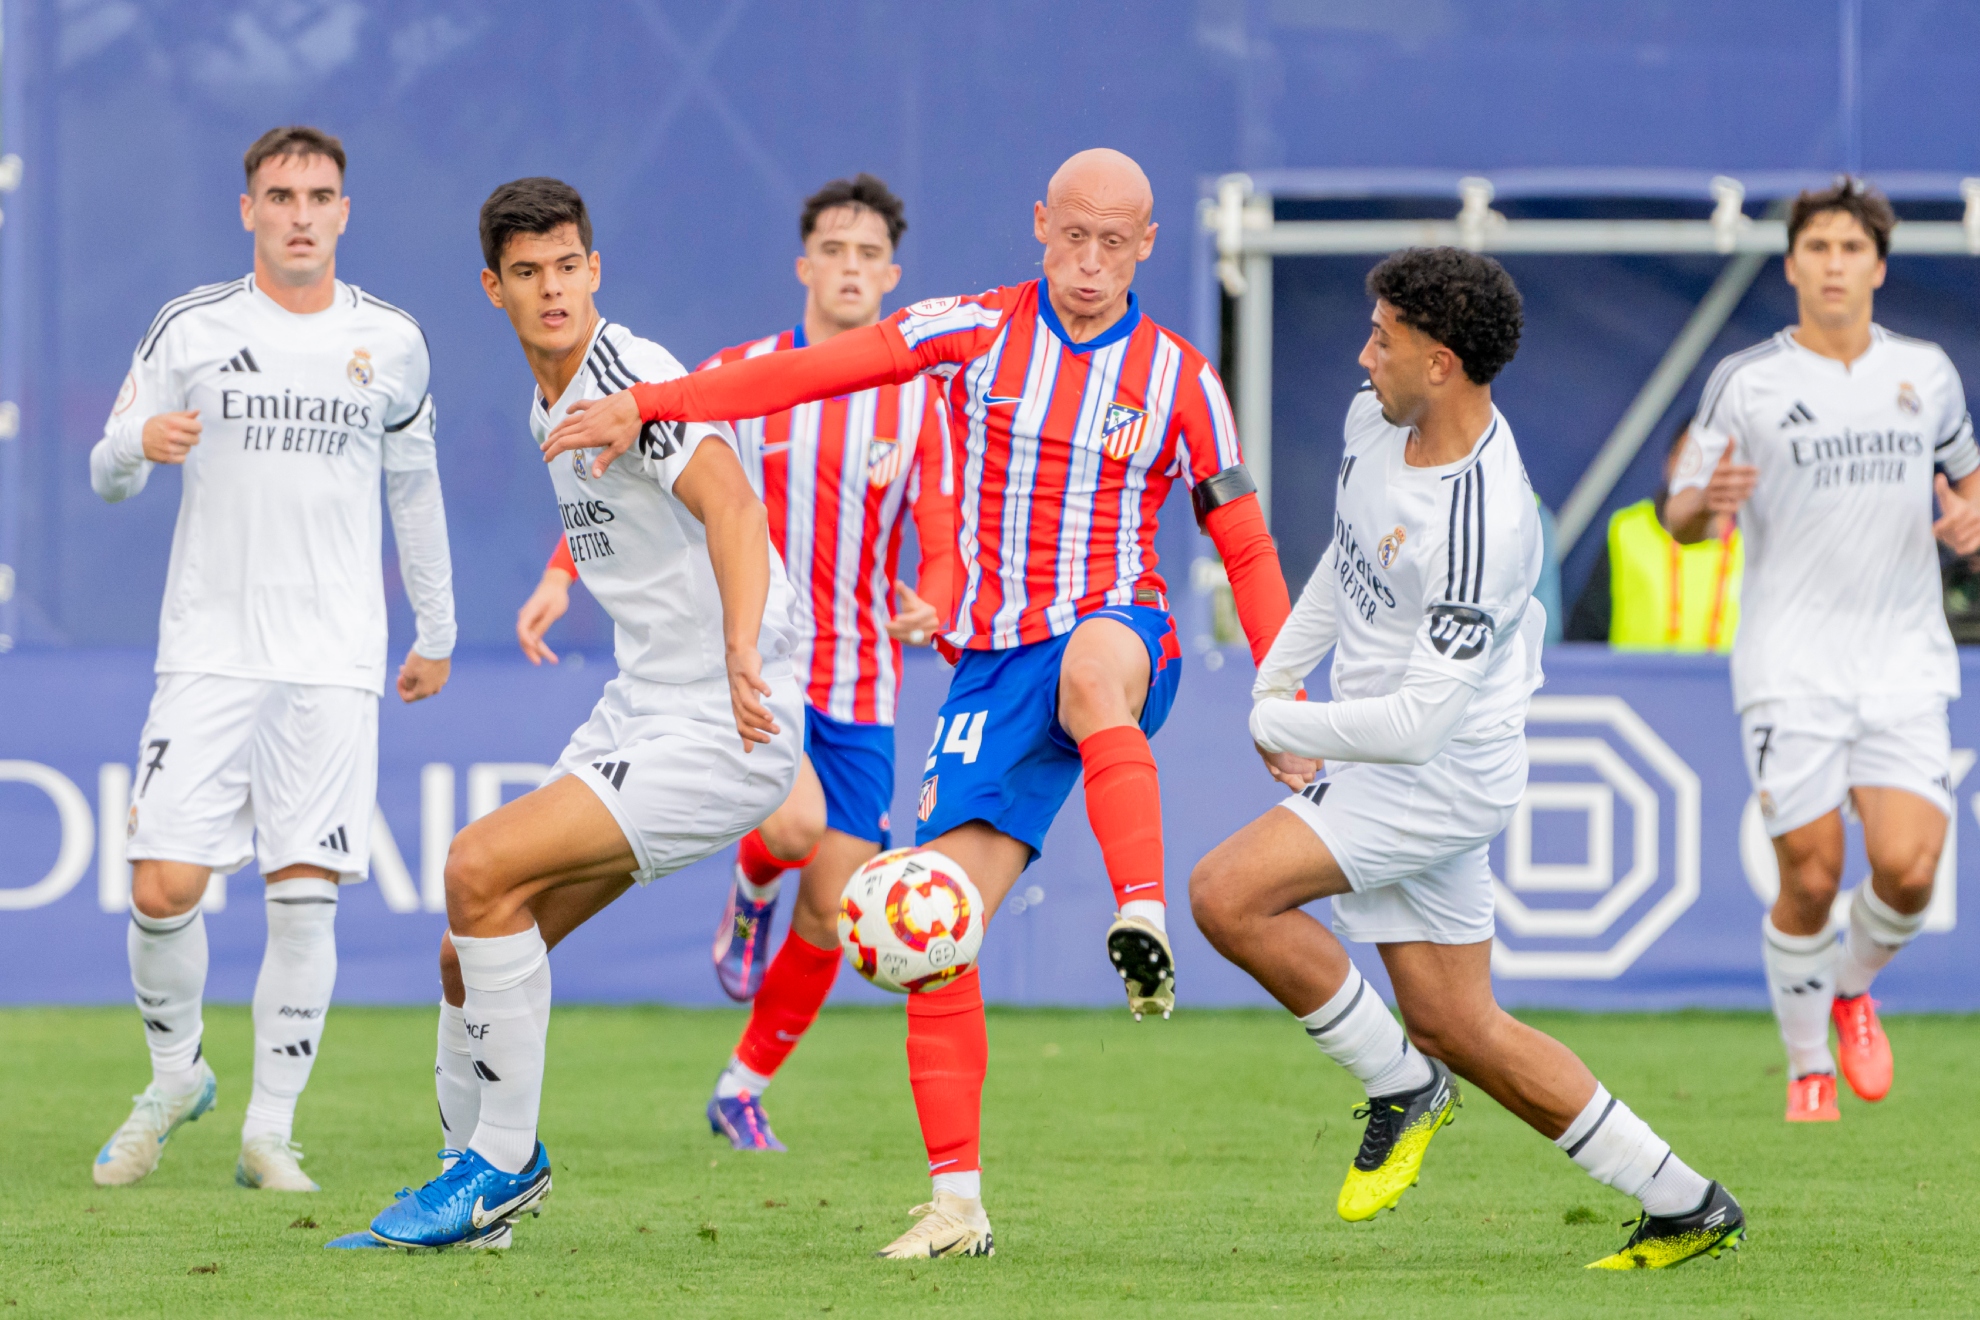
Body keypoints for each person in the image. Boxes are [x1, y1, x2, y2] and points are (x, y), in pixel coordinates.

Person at [547, 148, 1292, 1259]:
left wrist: (1279, 696)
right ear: (1040, 224)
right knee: (925, 925)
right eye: (1072, 235)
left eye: (1116, 242)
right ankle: (956, 1206)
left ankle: (1139, 908)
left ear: (1146, 247)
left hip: (1116, 629)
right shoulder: (972, 329)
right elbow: (798, 379)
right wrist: (650, 403)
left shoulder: (1184, 379)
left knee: (1094, 679)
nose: (1089, 263)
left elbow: (1244, 538)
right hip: (988, 673)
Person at [1189, 247, 1745, 1270]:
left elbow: (1415, 729)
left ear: (1441, 363)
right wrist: (1279, 683)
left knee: (1226, 896)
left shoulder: (1489, 524)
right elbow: (1343, 566)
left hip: (1439, 776)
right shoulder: (1377, 420)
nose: (1364, 357)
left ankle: (1401, 1088)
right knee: (1458, 1022)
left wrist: (1286, 728)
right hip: (1389, 755)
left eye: (1384, 339)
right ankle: (1686, 1201)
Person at [359, 178, 802, 1250]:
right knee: (470, 951)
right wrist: (564, 575)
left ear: (594, 270)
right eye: (528, 272)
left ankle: (505, 1166)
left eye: (568, 266)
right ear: (494, 289)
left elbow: (735, 508)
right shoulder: (548, 399)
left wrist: (742, 646)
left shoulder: (633, 376)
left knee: (474, 866)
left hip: (721, 720)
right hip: (643, 703)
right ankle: (475, 1205)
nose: (551, 289)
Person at [513, 173, 956, 1153]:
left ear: (891, 273)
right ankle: (751, 883)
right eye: (832, 251)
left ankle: (741, 1086)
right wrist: (561, 575)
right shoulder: (745, 374)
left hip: (866, 682)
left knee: (838, 905)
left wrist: (936, 594)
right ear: (805, 266)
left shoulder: (916, 402)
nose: (849, 269)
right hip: (762, 661)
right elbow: (619, 459)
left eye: (868, 255)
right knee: (794, 824)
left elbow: (940, 534)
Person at [86, 126, 455, 1195]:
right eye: (281, 194)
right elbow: (108, 471)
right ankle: (174, 1077)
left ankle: (270, 1131)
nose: (300, 212)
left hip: (333, 660)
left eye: (320, 195)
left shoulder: (391, 340)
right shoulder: (191, 328)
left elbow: (413, 490)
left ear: (345, 213)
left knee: (305, 896)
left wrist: (435, 630)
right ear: (246, 209)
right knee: (163, 887)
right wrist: (136, 446)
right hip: (208, 651)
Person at [1664, 179, 1980, 1122]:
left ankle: (1849, 989)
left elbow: (1970, 484)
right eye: (1819, 248)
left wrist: (1970, 521)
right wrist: (1705, 503)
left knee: (1912, 871)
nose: (1835, 264)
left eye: (1852, 248)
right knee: (1808, 872)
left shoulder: (1926, 374)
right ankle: (1809, 1070)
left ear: (1878, 267)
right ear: (1794, 265)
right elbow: (1676, 510)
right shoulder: (1744, 382)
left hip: (1903, 659)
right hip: (1788, 663)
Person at [1565, 420, 1743, 650]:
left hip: (1728, 686)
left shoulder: (1758, 543)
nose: (1701, 473)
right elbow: (1585, 636)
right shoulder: (1626, 532)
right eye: (1691, 458)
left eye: (1715, 460)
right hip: (1632, 684)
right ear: (1668, 463)